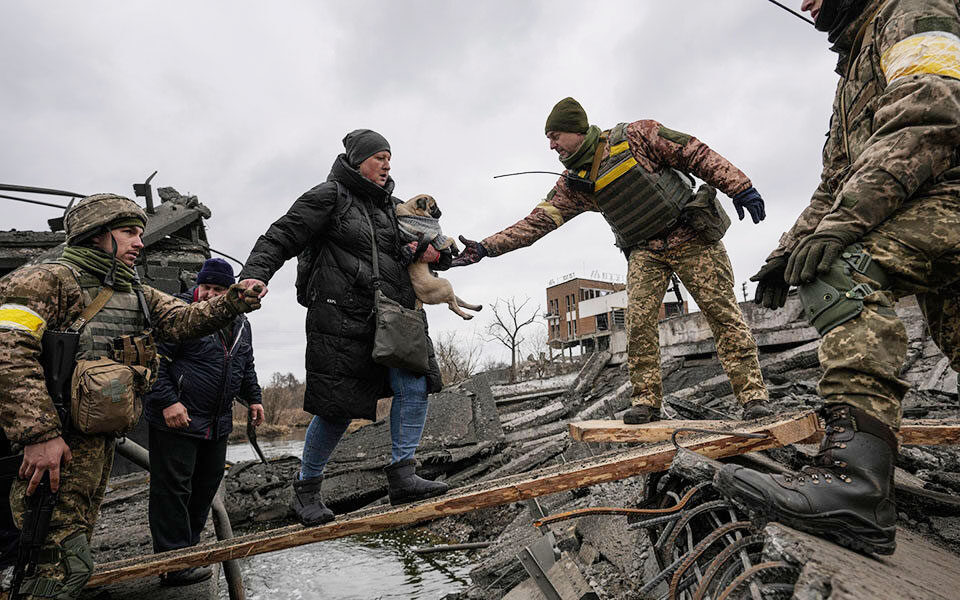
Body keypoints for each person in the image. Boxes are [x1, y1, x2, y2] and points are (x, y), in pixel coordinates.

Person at [717, 0, 960, 556]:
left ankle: (856, 488)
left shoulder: (915, 8)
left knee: (840, 271)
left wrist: (841, 231)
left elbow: (931, 110)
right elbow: (836, 182)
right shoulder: (854, 63)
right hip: (927, 208)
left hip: (946, 195)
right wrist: (787, 251)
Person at [0, 194, 261, 598]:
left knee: (74, 541)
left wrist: (236, 299)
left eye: (141, 232)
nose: (139, 242)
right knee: (51, 553)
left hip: (97, 440)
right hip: (54, 442)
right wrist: (38, 435)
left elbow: (183, 319)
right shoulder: (44, 281)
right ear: (95, 234)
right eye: (128, 232)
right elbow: (9, 355)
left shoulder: (133, 290)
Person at [452, 98, 772, 424]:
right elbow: (535, 223)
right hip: (646, 252)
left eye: (555, 135)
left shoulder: (636, 136)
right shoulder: (574, 183)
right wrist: (485, 248)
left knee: (723, 317)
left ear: (576, 130)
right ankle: (646, 401)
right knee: (638, 324)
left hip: (690, 237)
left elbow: (693, 151)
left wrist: (739, 186)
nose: (551, 145)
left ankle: (753, 398)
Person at [237, 129, 448, 526]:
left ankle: (403, 475)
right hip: (340, 318)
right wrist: (254, 274)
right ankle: (306, 490)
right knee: (337, 408)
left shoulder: (396, 209)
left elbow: (428, 246)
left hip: (396, 315)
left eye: (390, 157)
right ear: (356, 160)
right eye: (378, 157)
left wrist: (447, 253)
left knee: (414, 384)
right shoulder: (329, 196)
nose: (386, 164)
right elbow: (281, 235)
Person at [143, 257, 265, 586]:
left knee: (205, 487)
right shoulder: (177, 313)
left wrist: (254, 397)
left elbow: (245, 362)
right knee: (173, 490)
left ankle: (189, 553)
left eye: (218, 289)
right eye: (206, 287)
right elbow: (153, 362)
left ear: (230, 291)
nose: (210, 294)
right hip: (176, 418)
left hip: (216, 421)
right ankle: (173, 564)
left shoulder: (240, 320)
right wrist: (169, 401)